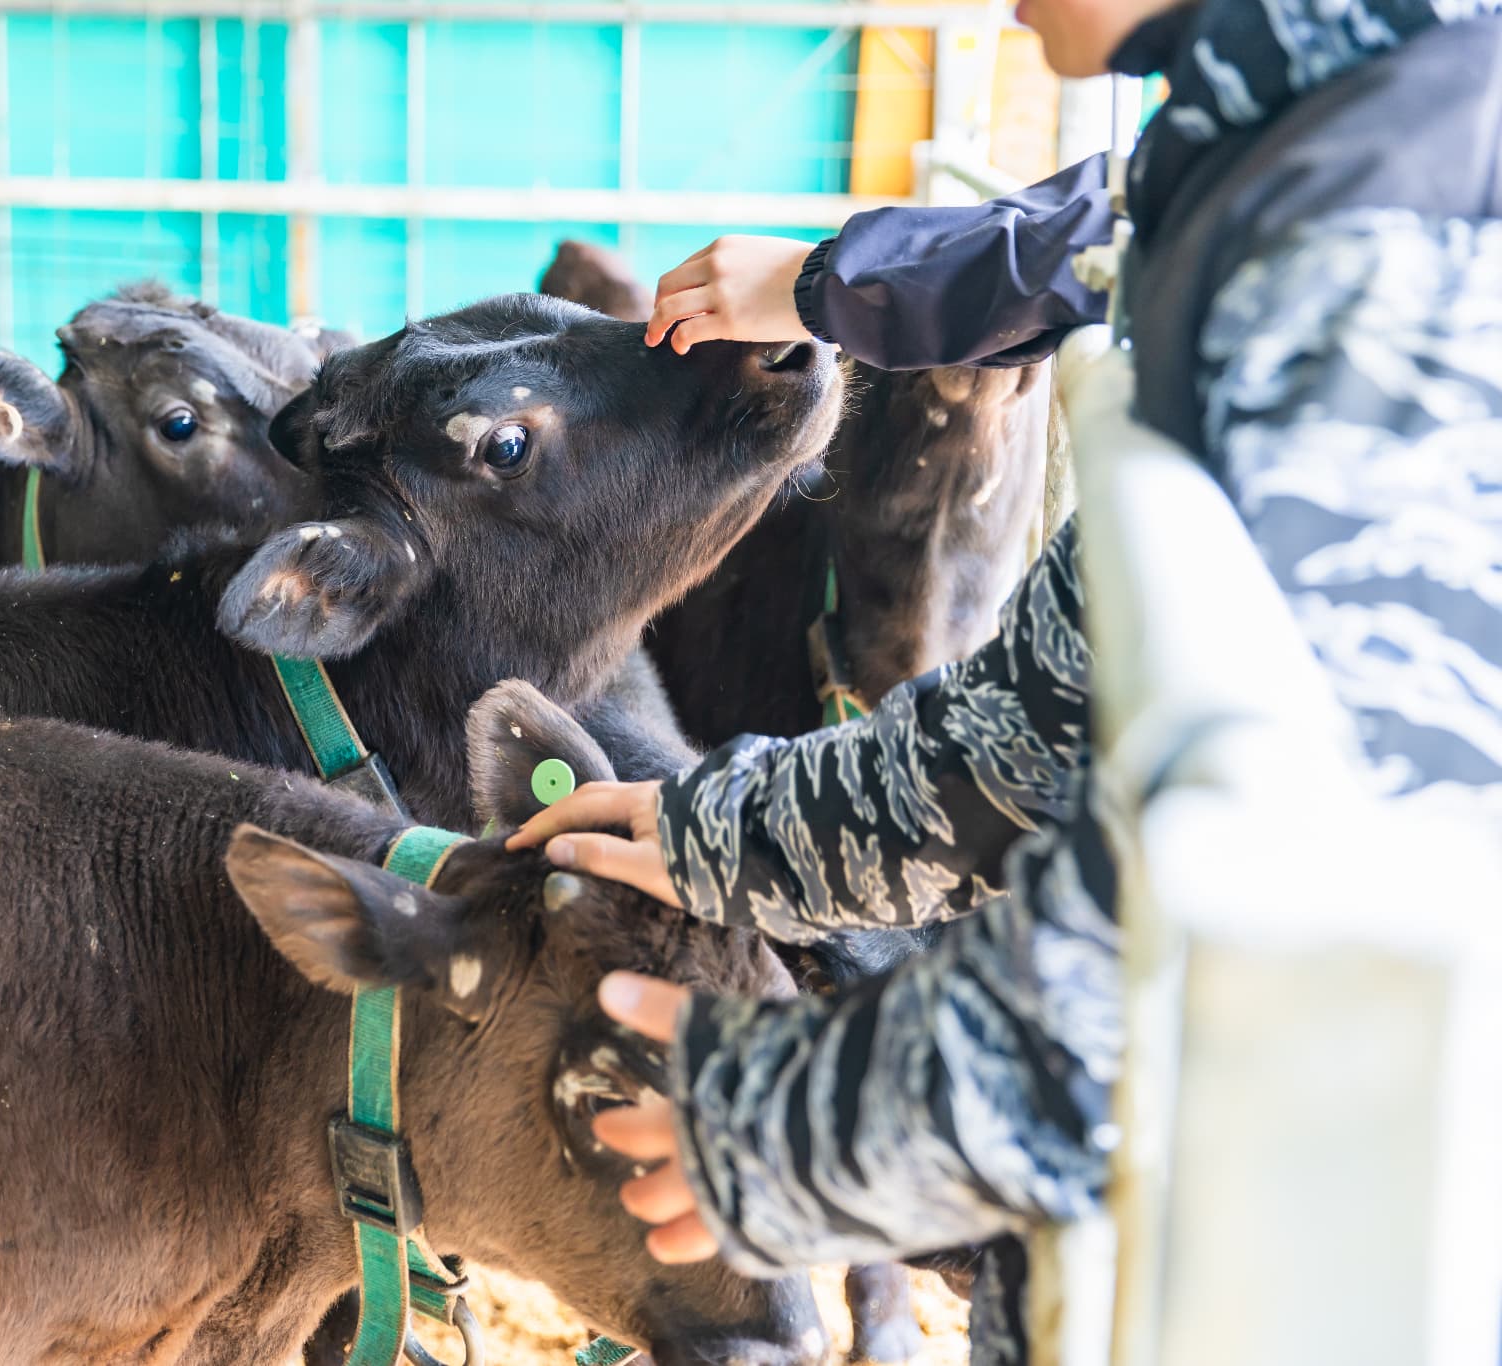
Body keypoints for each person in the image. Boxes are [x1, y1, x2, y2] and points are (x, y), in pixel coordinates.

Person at [510, 0, 1502, 1356]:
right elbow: (1045, 726)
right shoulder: (1290, 136)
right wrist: (713, 831)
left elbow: (1261, 907)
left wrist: (788, 1130)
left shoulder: (1380, 244)